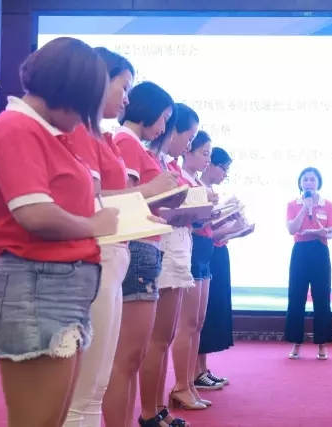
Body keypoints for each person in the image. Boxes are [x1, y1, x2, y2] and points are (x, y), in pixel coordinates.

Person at [0, 37, 118, 427]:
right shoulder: (18, 129)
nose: (85, 120)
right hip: (35, 287)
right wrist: (92, 226)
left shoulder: (41, 130)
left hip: (55, 288)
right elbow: (34, 213)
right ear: (71, 94)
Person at [64, 47, 182, 427]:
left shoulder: (101, 135)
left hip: (117, 254)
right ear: (99, 79)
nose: (127, 99)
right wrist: (150, 192)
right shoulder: (85, 133)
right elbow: (88, 200)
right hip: (97, 255)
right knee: (88, 386)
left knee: (98, 383)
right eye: (124, 86)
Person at [102, 81, 177, 427]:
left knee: (133, 357)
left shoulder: (132, 143)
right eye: (163, 119)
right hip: (137, 247)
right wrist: (158, 190)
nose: (163, 128)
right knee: (126, 357)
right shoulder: (126, 142)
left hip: (146, 246)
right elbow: (127, 199)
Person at [138, 103, 200, 427]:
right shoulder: (149, 156)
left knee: (165, 336)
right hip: (159, 246)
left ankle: (159, 408)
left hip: (176, 247)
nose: (188, 145)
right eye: (188, 137)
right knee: (156, 339)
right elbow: (145, 204)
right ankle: (150, 412)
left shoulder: (166, 162)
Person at [170, 130, 222, 408]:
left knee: (197, 323)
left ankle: (190, 382)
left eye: (209, 155)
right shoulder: (180, 178)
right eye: (204, 153)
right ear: (188, 151)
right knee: (187, 324)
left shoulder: (198, 182)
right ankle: (181, 385)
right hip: (189, 250)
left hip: (203, 251)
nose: (207, 160)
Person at [197, 147, 241, 386]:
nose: (224, 173)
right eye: (223, 168)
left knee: (207, 314)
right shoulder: (197, 189)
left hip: (214, 251)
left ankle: (202, 369)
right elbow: (202, 231)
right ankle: (195, 373)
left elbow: (211, 230)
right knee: (197, 319)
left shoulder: (210, 191)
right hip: (201, 254)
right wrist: (230, 228)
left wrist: (235, 230)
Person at [285, 167, 332, 360]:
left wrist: (320, 232)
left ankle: (322, 343)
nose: (309, 183)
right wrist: (304, 208)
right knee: (296, 296)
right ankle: (296, 342)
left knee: (322, 296)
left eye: (312, 180)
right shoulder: (293, 204)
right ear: (300, 183)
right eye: (305, 179)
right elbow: (292, 229)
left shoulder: (328, 205)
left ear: (318, 183)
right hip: (300, 251)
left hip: (320, 251)